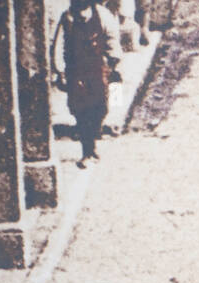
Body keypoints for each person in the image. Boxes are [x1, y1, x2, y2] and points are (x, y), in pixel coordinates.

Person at [52, 0, 121, 168]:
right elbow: (59, 46)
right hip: (76, 72)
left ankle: (93, 140)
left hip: (99, 70)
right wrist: (60, 71)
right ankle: (87, 151)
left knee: (101, 108)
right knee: (81, 111)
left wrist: (113, 61)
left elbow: (113, 39)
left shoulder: (103, 15)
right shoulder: (68, 18)